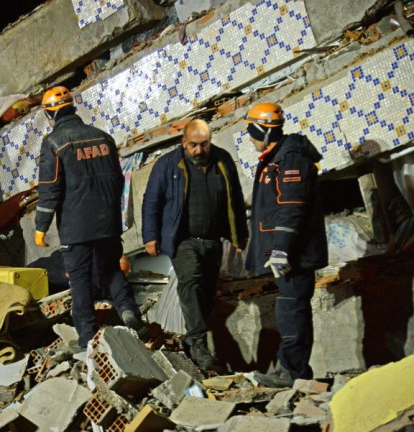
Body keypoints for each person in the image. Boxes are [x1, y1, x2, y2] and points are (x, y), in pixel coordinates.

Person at [34, 86, 147, 348]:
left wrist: (41, 227)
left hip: (77, 228)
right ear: (72, 108)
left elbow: (49, 188)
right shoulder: (104, 138)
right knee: (112, 271)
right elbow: (119, 181)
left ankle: (87, 339)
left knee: (80, 280)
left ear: (50, 114)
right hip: (108, 223)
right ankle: (129, 310)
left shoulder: (53, 143)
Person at [142, 119, 248, 370]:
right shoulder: (168, 164)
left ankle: (191, 341)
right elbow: (152, 201)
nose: (199, 151)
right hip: (183, 240)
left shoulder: (222, 161)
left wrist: (239, 235)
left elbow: (235, 198)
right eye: (193, 146)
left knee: (207, 292)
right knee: (191, 283)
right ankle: (199, 344)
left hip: (212, 240)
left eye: (204, 145)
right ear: (183, 143)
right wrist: (150, 236)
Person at [244, 102, 328, 387]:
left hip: (295, 254)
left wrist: (281, 249)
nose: (250, 138)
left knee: (292, 310)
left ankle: (293, 373)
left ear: (262, 129)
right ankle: (290, 370)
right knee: (288, 309)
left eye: (251, 131)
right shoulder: (277, 157)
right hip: (288, 252)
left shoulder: (290, 159)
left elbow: (291, 206)